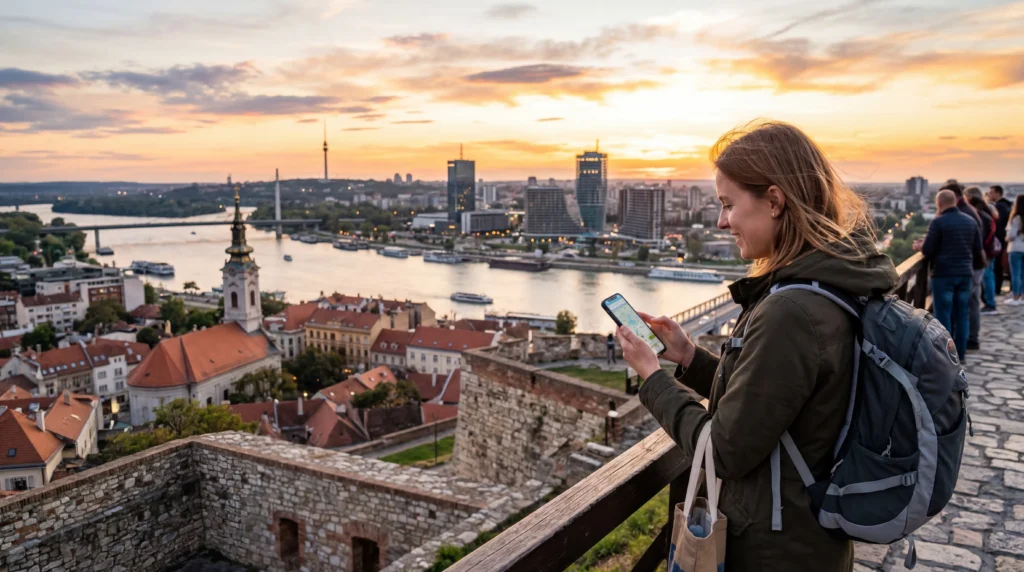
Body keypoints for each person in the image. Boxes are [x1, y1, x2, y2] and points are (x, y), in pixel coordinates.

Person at [617, 120, 898, 571]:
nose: (722, 221)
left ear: (774, 200)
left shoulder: (794, 310)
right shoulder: (833, 282)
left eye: (728, 204)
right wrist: (689, 358)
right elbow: (778, 401)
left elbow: (723, 449)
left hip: (775, 548)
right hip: (808, 536)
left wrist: (651, 377)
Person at [913, 190, 983, 361]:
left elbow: (929, 250)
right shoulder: (970, 221)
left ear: (939, 203)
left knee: (943, 315)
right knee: (962, 315)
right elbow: (977, 250)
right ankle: (962, 354)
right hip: (965, 274)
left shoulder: (938, 222)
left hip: (943, 274)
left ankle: (947, 357)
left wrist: (919, 247)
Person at [941, 181, 987, 351]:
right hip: (971, 265)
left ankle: (961, 344)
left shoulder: (962, 213)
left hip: (965, 267)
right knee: (966, 307)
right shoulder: (970, 212)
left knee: (962, 309)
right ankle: (966, 344)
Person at [966, 186, 998, 314]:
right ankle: (989, 302)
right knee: (987, 277)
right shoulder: (988, 210)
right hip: (989, 249)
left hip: (983, 251)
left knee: (986, 278)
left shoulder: (979, 213)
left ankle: (990, 304)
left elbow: (980, 235)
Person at [989, 185, 1013, 294]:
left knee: (998, 268)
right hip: (1006, 242)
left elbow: (999, 226)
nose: (989, 194)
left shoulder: (999, 207)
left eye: (991, 192)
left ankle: (997, 289)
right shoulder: (1008, 205)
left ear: (998, 193)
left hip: (1000, 242)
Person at [1008, 195, 1024, 305]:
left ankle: (1015, 296)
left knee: (1015, 274)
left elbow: (1011, 235)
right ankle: (1023, 296)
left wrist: (1007, 237)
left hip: (1016, 247)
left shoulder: (1016, 218)